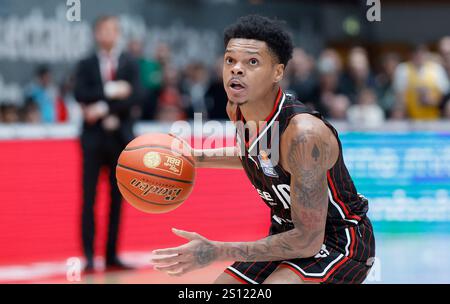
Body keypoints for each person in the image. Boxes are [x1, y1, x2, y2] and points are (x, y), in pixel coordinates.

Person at [151, 15, 375, 284]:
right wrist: (197, 157)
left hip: (340, 242)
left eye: (252, 62)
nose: (236, 69)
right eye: (230, 60)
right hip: (286, 234)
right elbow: (259, 154)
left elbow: (308, 241)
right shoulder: (237, 109)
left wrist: (215, 251)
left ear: (278, 72)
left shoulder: (304, 135)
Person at [74, 15, 140, 273]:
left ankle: (112, 255)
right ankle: (89, 257)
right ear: (96, 34)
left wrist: (100, 107)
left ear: (118, 33)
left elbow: (137, 96)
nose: (108, 35)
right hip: (92, 141)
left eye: (112, 30)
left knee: (117, 199)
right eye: (103, 30)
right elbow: (80, 93)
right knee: (89, 198)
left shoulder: (130, 63)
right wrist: (113, 91)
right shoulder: (86, 64)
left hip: (120, 140)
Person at [393, 44, 449, 120]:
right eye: (416, 54)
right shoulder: (403, 69)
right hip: (410, 117)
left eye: (422, 53)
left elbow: (444, 93)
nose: (419, 56)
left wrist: (433, 100)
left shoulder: (436, 68)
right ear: (411, 55)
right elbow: (399, 95)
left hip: (434, 116)